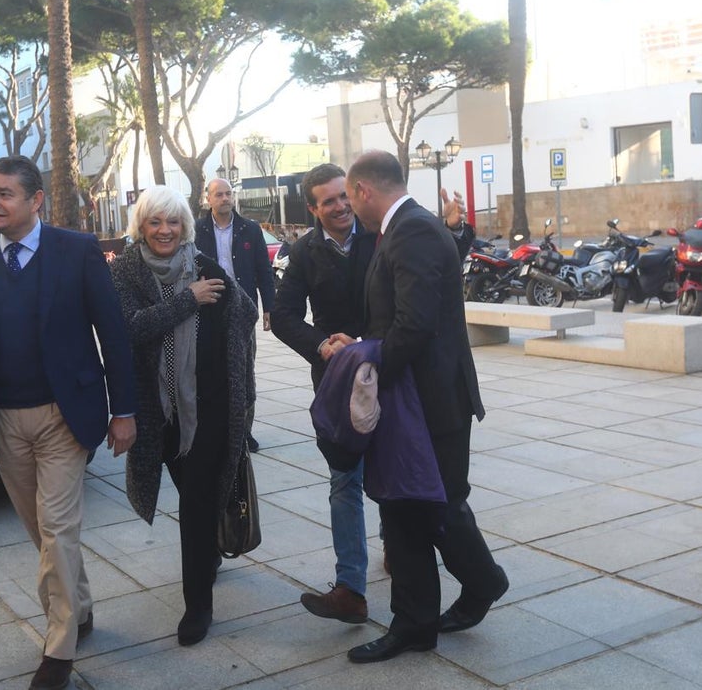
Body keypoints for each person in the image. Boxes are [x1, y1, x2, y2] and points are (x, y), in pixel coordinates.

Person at [0, 156, 137, 690]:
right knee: (42, 532)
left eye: (4, 194)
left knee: (57, 528)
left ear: (36, 200)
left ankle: (59, 648)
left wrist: (124, 410)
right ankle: (81, 607)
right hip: (3, 419)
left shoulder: (76, 251)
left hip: (64, 416)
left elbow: (112, 333)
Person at [271, 163, 475, 625]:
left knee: (396, 472)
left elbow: (431, 268)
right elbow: (282, 316)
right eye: (328, 201)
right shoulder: (302, 253)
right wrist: (322, 347)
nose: (341, 206)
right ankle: (350, 588)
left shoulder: (380, 232)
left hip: (394, 376)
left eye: (344, 196)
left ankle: (398, 552)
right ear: (313, 209)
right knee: (345, 481)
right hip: (341, 383)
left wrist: (454, 228)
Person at [334, 150, 507, 664]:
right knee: (410, 510)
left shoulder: (411, 230)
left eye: (349, 196)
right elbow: (399, 319)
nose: (349, 206)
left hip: (430, 402)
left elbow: (414, 325)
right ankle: (419, 622)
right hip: (419, 398)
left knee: (432, 507)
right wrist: (362, 343)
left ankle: (476, 585)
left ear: (363, 190)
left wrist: (366, 365)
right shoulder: (409, 226)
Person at [110, 184, 257, 646]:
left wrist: (240, 382)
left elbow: (245, 313)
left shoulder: (206, 268)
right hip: (159, 412)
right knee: (191, 494)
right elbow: (131, 329)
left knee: (194, 501)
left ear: (185, 226)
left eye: (173, 221)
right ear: (141, 226)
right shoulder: (125, 272)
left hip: (208, 410)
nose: (165, 230)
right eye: (155, 221)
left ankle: (198, 605)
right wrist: (187, 300)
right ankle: (207, 552)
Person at [194, 177, 275, 453]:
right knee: (211, 371)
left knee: (245, 372)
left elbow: (264, 270)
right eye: (219, 194)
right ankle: (215, 429)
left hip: (243, 309)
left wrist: (269, 307)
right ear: (208, 199)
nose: (225, 198)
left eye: (228, 193)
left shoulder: (250, 229)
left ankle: (244, 432)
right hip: (208, 308)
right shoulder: (197, 230)